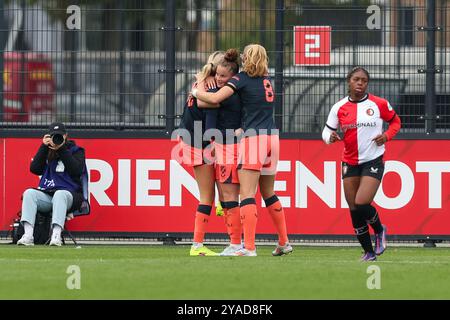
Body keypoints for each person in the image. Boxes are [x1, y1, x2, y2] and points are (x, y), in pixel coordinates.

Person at [192, 44, 292, 257]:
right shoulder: (267, 80)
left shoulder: (242, 78)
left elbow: (213, 99)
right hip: (273, 138)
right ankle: (283, 242)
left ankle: (248, 248)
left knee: (246, 195)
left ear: (246, 59)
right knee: (269, 192)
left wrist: (195, 88)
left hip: (254, 139)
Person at [321, 66, 401, 261]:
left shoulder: (379, 103)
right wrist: (330, 137)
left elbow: (396, 122)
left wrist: (387, 136)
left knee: (361, 202)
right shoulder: (338, 107)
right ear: (349, 81)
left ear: (367, 84)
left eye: (364, 81)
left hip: (373, 159)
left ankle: (380, 230)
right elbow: (325, 131)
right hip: (349, 161)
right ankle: (368, 252)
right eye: (356, 79)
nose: (360, 83)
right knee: (354, 209)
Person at [176, 51, 224, 256]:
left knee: (216, 193)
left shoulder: (201, 82)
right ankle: (197, 245)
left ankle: (223, 205)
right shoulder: (211, 86)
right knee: (207, 197)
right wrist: (213, 142)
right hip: (198, 143)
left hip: (191, 140)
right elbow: (211, 111)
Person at [200, 49, 243, 256]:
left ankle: (237, 244)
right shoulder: (232, 90)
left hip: (228, 147)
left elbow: (205, 102)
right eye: (216, 74)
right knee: (227, 197)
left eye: (222, 76)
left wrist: (198, 87)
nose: (218, 78)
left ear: (232, 77)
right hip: (223, 145)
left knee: (229, 195)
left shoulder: (225, 94)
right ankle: (235, 242)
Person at [17, 122, 86, 246]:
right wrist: (43, 146)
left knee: (60, 194)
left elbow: (76, 170)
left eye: (60, 136)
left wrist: (61, 149)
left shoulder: (77, 151)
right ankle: (28, 235)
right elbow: (35, 169)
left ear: (65, 136)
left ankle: (56, 235)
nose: (57, 139)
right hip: (49, 194)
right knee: (29, 193)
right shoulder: (48, 150)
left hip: (71, 195)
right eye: (54, 136)